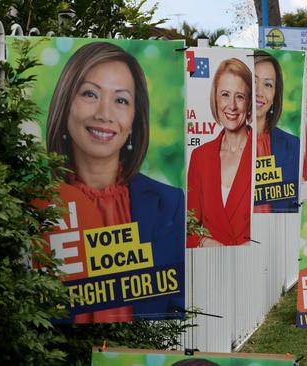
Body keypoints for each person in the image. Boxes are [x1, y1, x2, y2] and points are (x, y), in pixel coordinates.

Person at [46, 42, 185, 323]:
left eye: (121, 100)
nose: (104, 114)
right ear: (65, 104)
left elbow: (176, 309)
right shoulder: (33, 203)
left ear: (134, 120)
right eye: (90, 94)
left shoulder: (169, 204)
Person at [187, 58, 253, 247]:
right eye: (225, 94)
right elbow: (189, 227)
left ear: (249, 103)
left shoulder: (265, 152)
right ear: (215, 99)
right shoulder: (200, 156)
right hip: (211, 266)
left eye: (240, 96)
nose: (231, 106)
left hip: (254, 265)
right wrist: (204, 242)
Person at [253, 51, 300, 213]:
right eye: (253, 81)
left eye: (268, 85)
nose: (259, 92)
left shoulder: (294, 147)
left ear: (275, 96)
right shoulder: (218, 146)